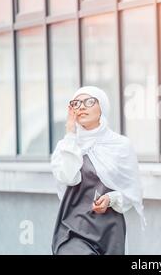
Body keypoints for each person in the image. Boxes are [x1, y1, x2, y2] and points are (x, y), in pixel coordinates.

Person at [50, 86, 145, 255]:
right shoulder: (66, 146)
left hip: (109, 230)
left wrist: (111, 198)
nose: (82, 107)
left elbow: (133, 192)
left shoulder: (120, 145)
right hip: (72, 228)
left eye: (89, 101)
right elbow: (68, 176)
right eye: (76, 103)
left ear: (102, 107)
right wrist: (70, 134)